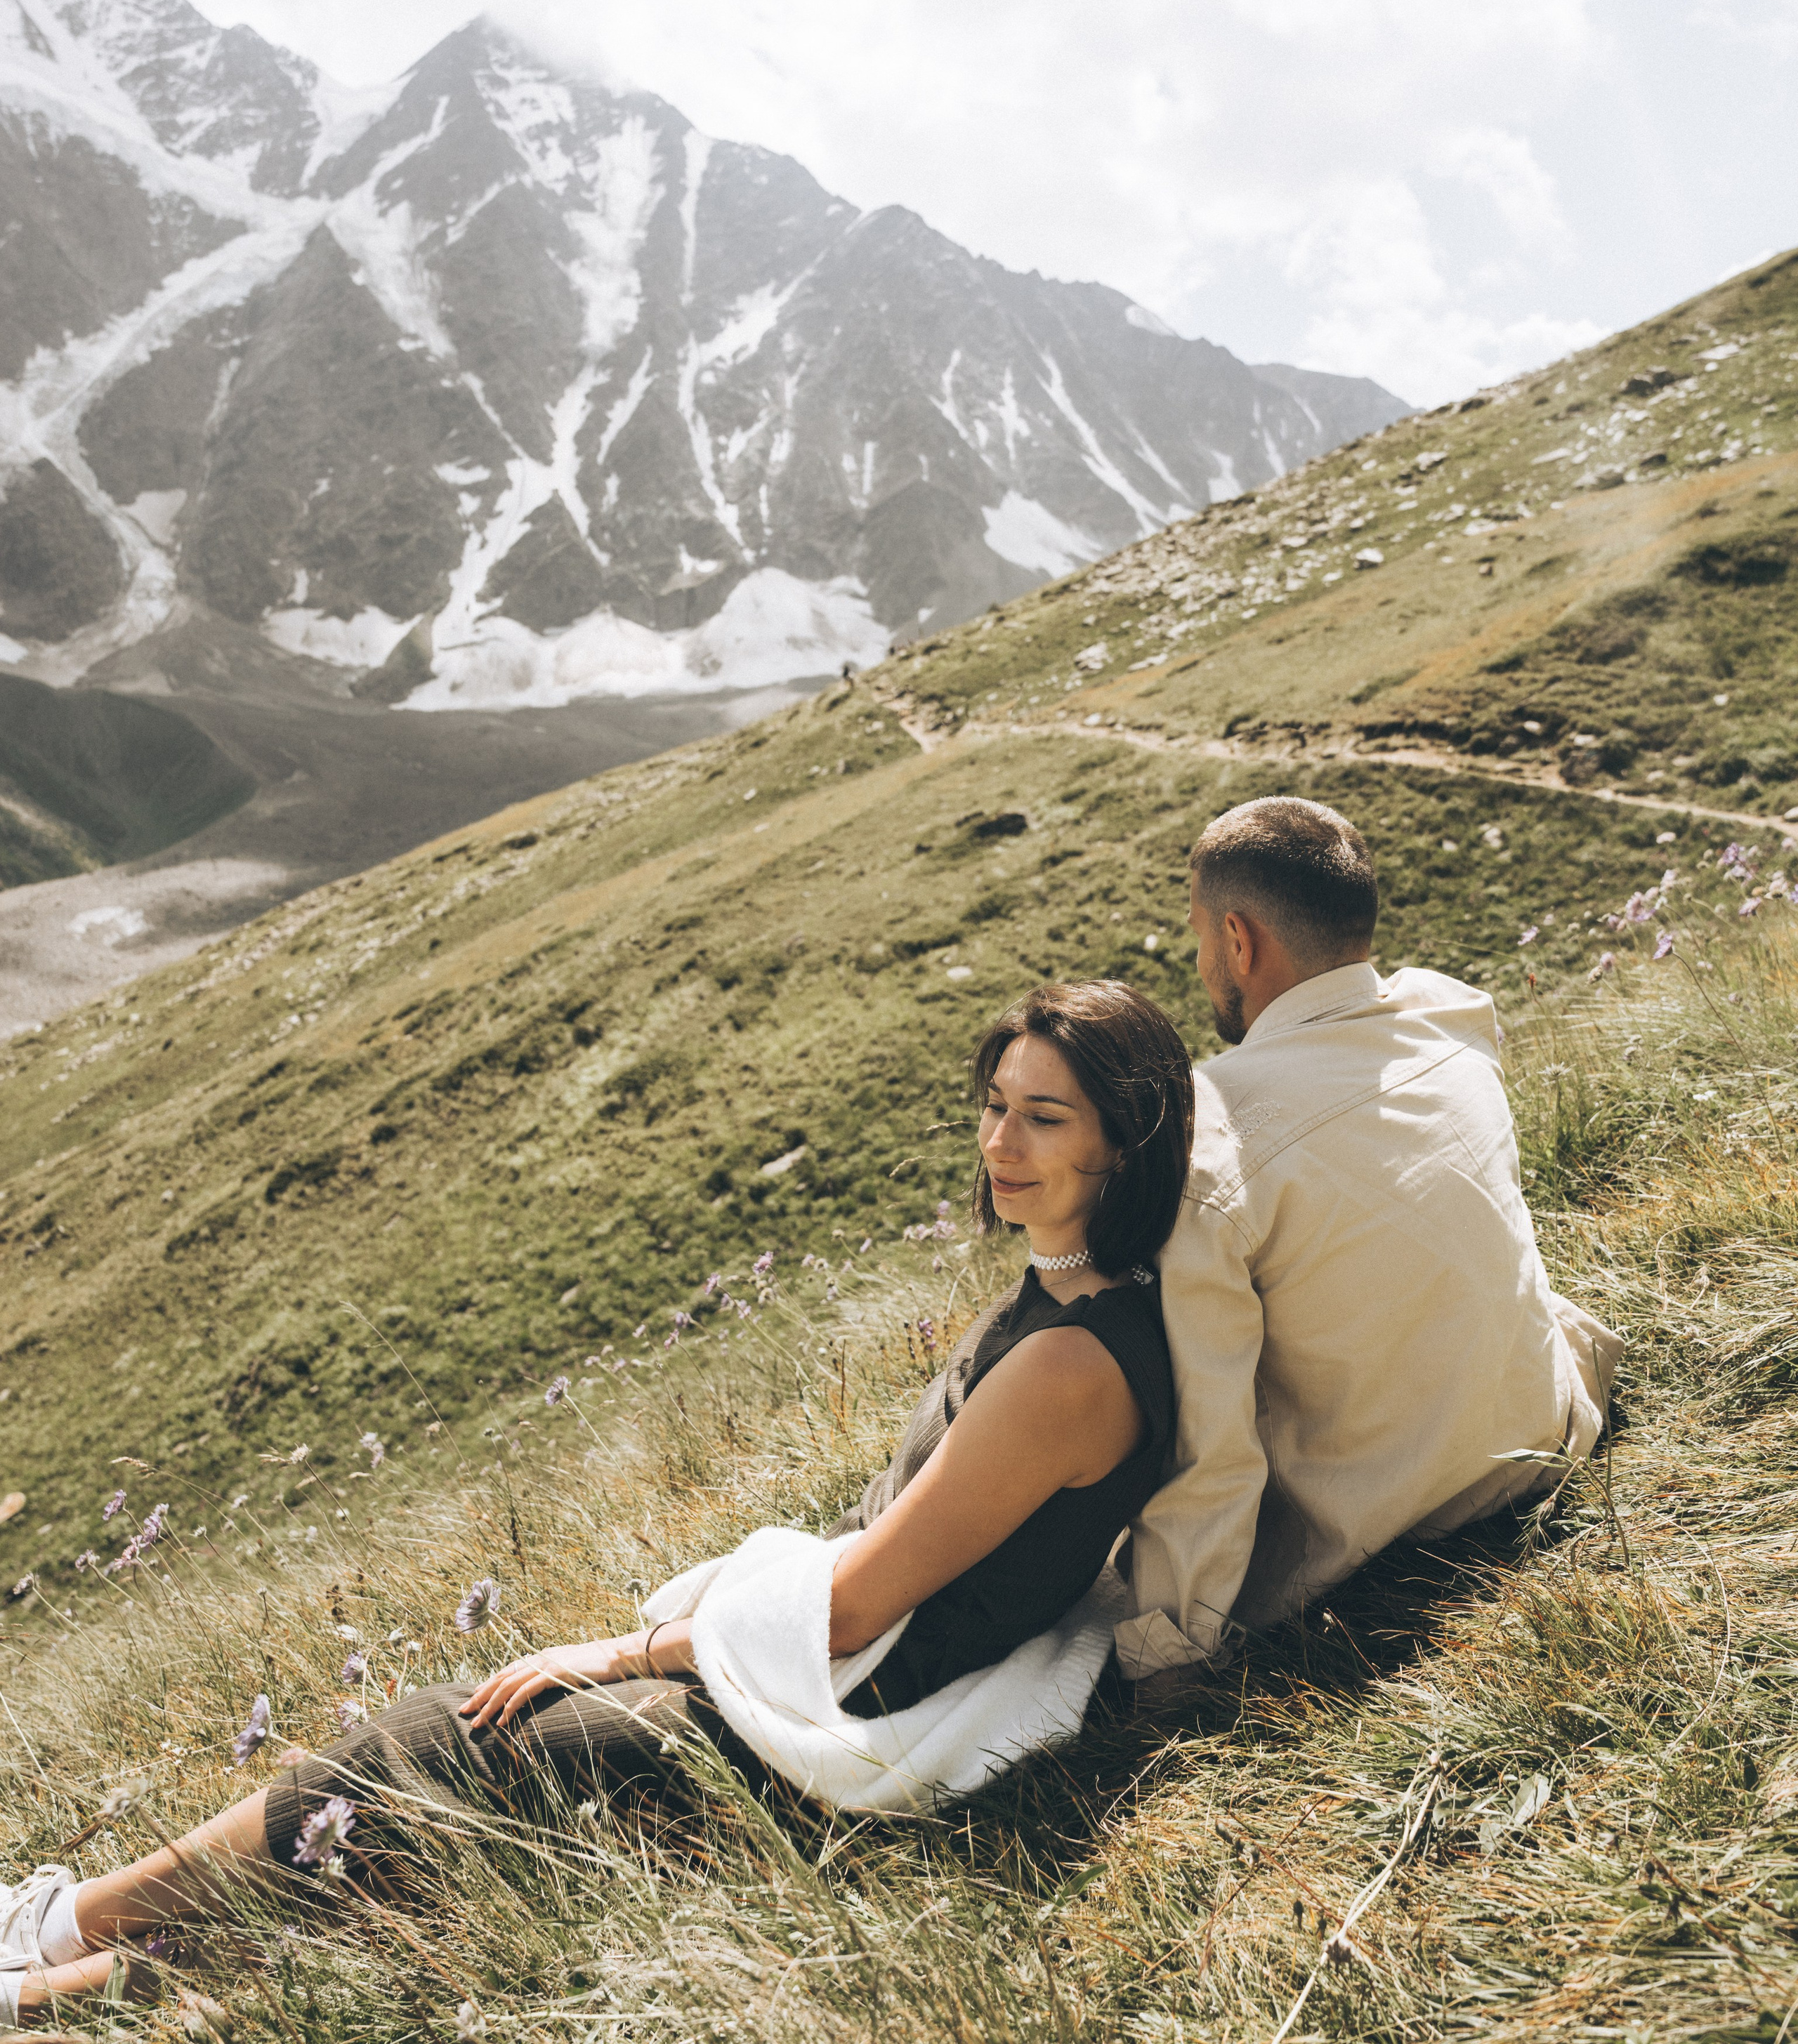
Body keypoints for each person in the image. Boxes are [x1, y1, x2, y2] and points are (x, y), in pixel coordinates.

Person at [2, 980, 1194, 2021]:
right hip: (854, 1677)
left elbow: (850, 1608)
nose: (999, 1142)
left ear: (1124, 1146)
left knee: (435, 1767)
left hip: (853, 1708)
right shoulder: (1063, 1302)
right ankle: (59, 1948)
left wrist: (626, 1650)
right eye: (994, 1105)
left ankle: (54, 1959)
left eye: (1044, 1118)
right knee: (428, 1766)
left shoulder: (1069, 1364)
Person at [1114, 795, 1624, 1694]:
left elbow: (1212, 1440)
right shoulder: (1452, 1019)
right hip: (1541, 1432)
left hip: (1375, 1530)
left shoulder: (1205, 1142)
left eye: (1198, 936)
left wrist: (1168, 1655)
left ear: (1238, 940)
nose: (1199, 963)